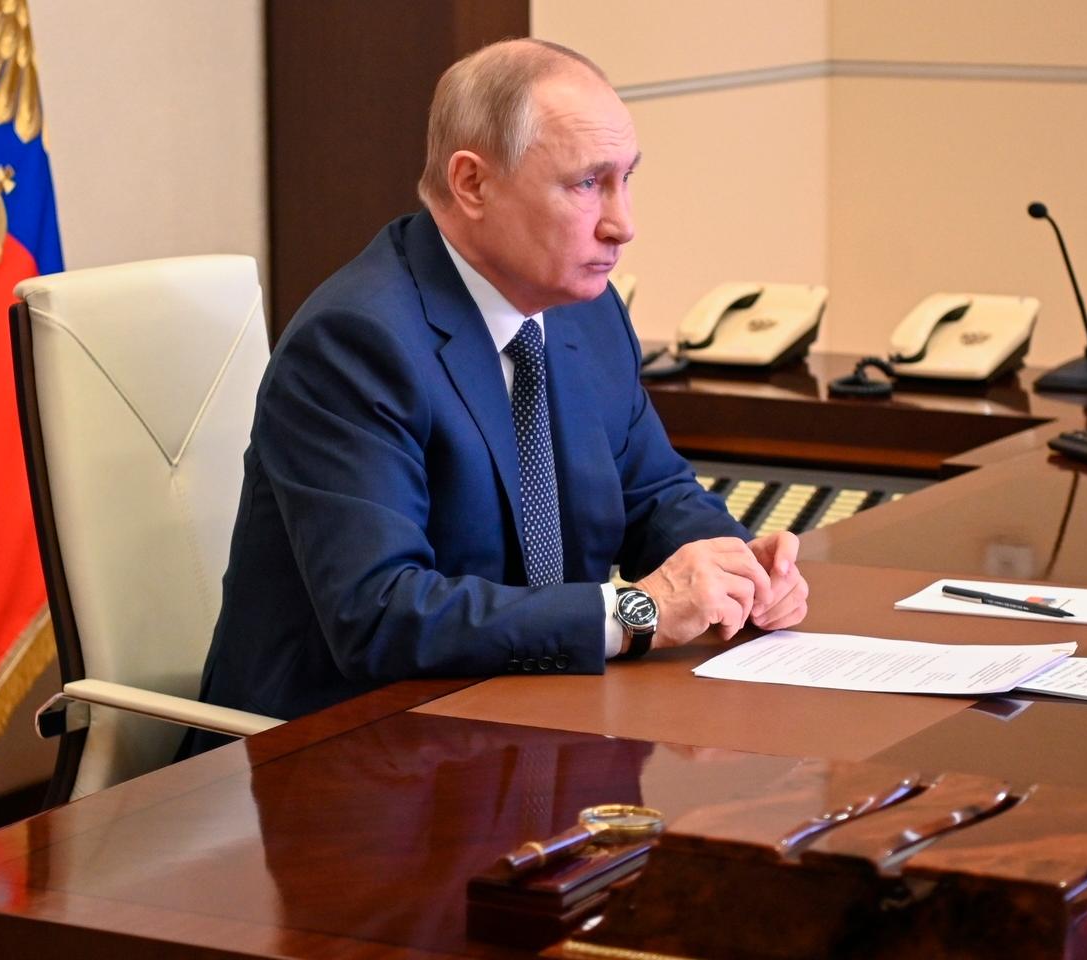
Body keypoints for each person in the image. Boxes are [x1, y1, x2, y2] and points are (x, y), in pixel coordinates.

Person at [193, 38, 809, 726]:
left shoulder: (588, 311)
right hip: (343, 747)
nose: (623, 224)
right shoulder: (356, 342)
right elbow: (380, 613)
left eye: (626, 178)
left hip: (531, 722)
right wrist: (639, 611)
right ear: (472, 184)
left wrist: (736, 569)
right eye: (586, 184)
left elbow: (651, 493)